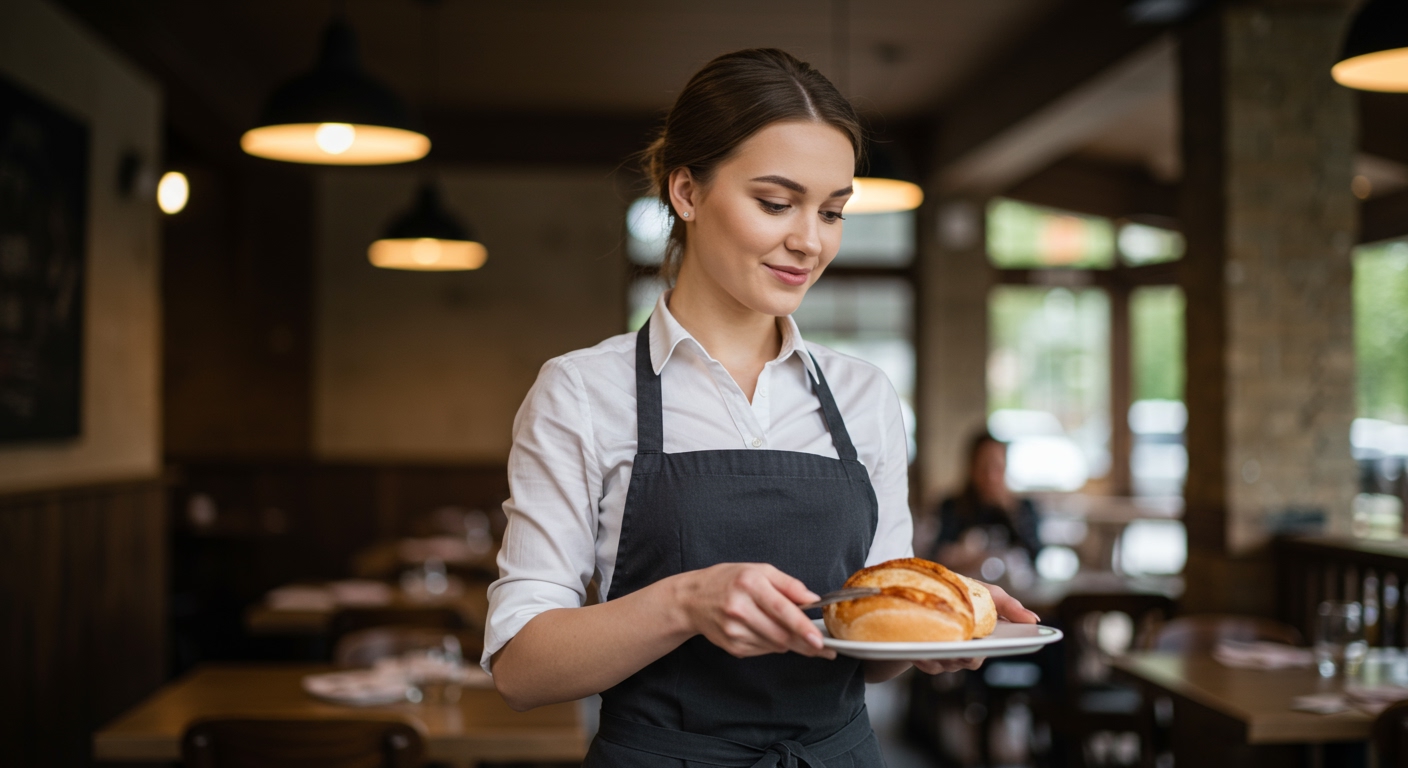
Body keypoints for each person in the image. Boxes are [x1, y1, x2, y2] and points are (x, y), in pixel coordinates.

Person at [484, 49, 1037, 767]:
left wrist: (934, 632)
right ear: (686, 191)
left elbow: (869, 654)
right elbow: (521, 670)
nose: (810, 241)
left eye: (833, 210)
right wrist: (685, 603)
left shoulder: (863, 395)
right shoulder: (583, 392)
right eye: (776, 203)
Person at [929, 431, 1042, 576]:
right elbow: (935, 556)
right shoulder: (952, 507)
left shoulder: (1023, 508)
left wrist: (1012, 512)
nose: (990, 476)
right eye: (984, 467)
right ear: (972, 468)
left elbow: (1037, 556)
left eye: (997, 467)